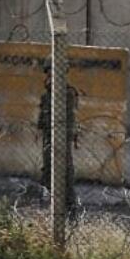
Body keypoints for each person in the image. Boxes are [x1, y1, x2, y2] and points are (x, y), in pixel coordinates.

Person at [37, 57, 78, 214]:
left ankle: (70, 208)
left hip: (62, 137)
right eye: (49, 72)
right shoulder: (46, 95)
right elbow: (42, 119)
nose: (51, 76)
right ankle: (51, 207)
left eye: (55, 73)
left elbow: (70, 118)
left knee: (65, 171)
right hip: (49, 136)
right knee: (48, 170)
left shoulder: (68, 93)